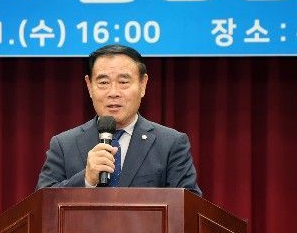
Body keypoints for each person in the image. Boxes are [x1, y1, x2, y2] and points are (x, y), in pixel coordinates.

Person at [36, 44, 201, 196]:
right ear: (89, 86)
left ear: (143, 85)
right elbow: (42, 203)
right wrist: (86, 180)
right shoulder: (63, 145)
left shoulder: (171, 144)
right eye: (103, 82)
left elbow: (189, 207)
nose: (113, 92)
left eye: (123, 82)